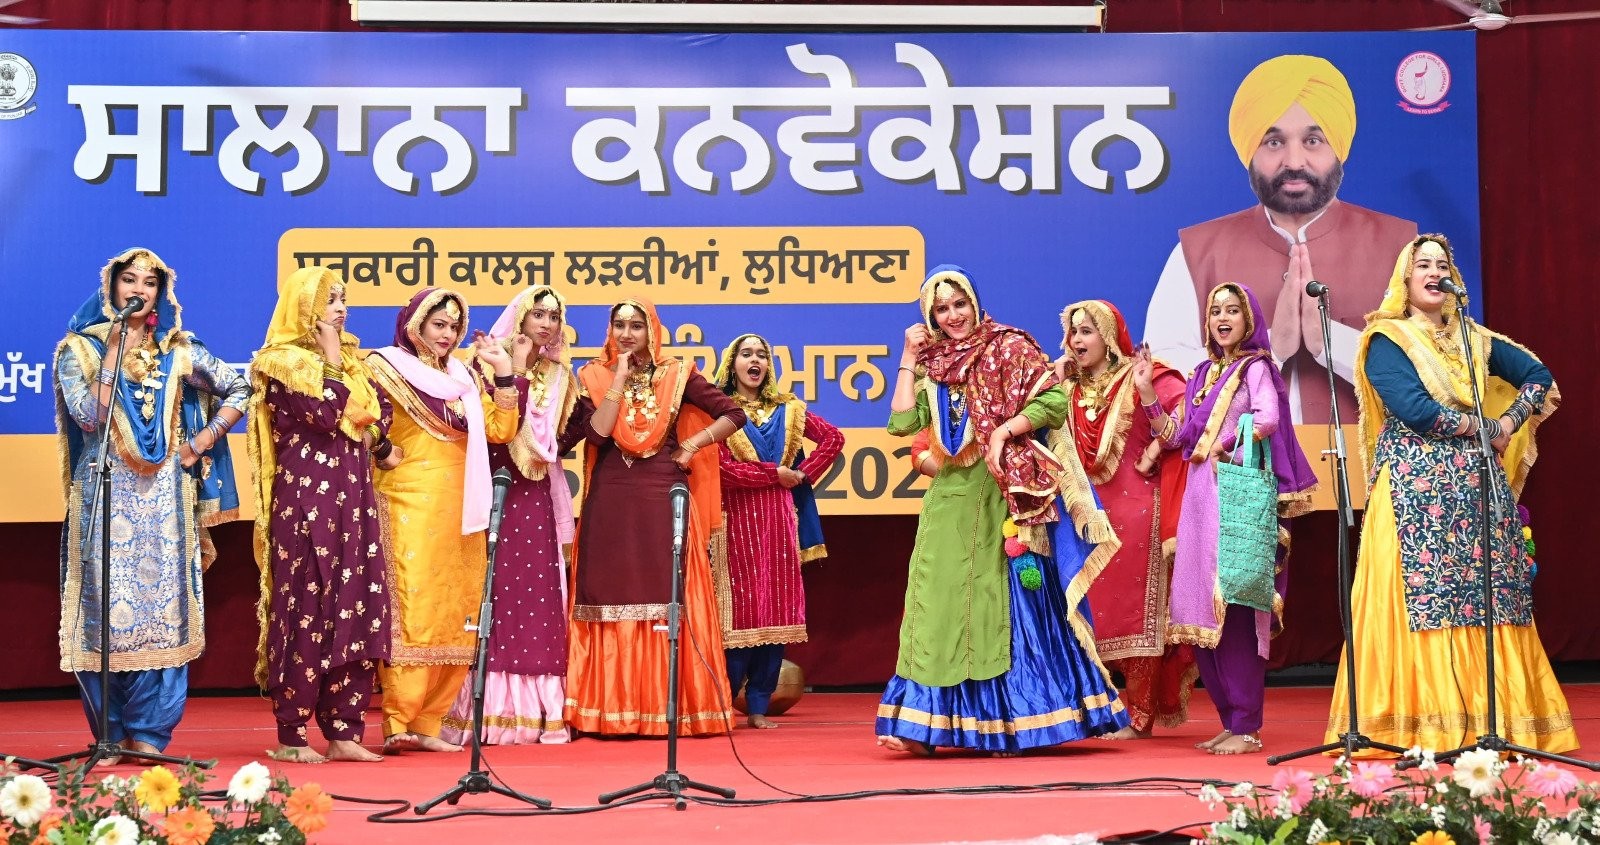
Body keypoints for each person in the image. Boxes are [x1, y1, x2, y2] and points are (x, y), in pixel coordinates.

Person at [1323, 235, 1577, 755]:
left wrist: (1509, 422)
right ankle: (1423, 725)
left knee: (1490, 598)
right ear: (1405, 278)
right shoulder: (1387, 339)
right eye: (1423, 265)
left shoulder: (1475, 339)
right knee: (1425, 601)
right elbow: (1415, 410)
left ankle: (1496, 721)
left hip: (1478, 490)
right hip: (1414, 493)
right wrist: (1483, 427)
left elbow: (1537, 376)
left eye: (1443, 265)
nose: (1434, 272)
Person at [875, 264, 1129, 757]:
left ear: (975, 302)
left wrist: (1003, 431)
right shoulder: (932, 363)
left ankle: (1008, 722)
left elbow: (1052, 403)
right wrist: (907, 357)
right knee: (938, 608)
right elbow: (902, 423)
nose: (953, 316)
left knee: (1000, 607)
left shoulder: (1007, 347)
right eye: (941, 309)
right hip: (948, 505)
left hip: (1004, 497)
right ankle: (927, 726)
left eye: (959, 304)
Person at [52, 247, 249, 762]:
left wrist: (201, 441)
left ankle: (150, 735)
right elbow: (88, 417)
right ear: (111, 288)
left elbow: (239, 387)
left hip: (165, 505)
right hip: (102, 499)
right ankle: (110, 733)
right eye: (129, 280)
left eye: (150, 282)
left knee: (164, 614)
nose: (139, 290)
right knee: (102, 615)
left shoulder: (179, 351)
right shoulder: (81, 350)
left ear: (161, 293)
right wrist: (113, 352)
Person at [1144, 54, 1417, 424]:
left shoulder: (1404, 248)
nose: (1294, 161)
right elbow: (1161, 379)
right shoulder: (1197, 253)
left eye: (1313, 140)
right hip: (1239, 460)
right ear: (1250, 152)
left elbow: (1441, 376)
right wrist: (1269, 349)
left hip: (1372, 460)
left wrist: (1330, 342)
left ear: (1338, 147)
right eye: (1273, 142)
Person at [563, 297, 747, 737]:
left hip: (662, 494)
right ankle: (609, 709)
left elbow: (733, 413)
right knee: (607, 590)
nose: (627, 334)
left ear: (652, 331)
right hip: (611, 498)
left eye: (636, 325)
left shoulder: (677, 374)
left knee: (665, 590)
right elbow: (597, 434)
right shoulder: (593, 375)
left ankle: (668, 707)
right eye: (619, 325)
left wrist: (691, 445)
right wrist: (618, 378)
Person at [1148, 282, 1317, 756]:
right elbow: (1178, 435)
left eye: (1232, 310)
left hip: (1236, 497)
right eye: (1215, 311)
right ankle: (1230, 720)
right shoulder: (1203, 373)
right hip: (1199, 503)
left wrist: (1224, 446)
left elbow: (1267, 419)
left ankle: (1247, 725)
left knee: (1237, 611)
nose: (1222, 318)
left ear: (1249, 319)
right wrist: (1146, 394)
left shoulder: (1255, 368)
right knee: (1200, 615)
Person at [248, 267, 396, 763]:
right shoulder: (282, 364)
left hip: (354, 503)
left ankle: (344, 732)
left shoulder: (355, 362)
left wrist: (341, 370)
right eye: (329, 300)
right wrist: (331, 362)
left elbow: (381, 418)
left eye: (343, 299)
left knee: (357, 607)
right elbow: (325, 415)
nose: (340, 309)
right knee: (306, 611)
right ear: (304, 308)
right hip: (306, 506)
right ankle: (292, 735)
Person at [365, 289, 523, 753]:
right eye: (439, 324)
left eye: (454, 327)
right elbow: (363, 420)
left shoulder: (463, 377)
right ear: (415, 324)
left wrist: (503, 372)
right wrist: (381, 448)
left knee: (459, 610)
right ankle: (398, 720)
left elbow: (501, 430)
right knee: (415, 608)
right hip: (408, 501)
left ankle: (429, 723)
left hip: (463, 507)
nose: (448, 335)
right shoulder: (385, 368)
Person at [440, 286, 585, 746]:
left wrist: (548, 446)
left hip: (534, 492)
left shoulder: (559, 375)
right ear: (520, 317)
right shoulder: (482, 365)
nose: (546, 323)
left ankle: (535, 711)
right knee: (494, 592)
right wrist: (514, 370)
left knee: (537, 594)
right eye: (538, 314)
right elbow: (496, 431)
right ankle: (484, 708)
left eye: (554, 317)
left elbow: (555, 437)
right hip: (492, 487)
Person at [1048, 300, 1196, 740]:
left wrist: (1152, 431)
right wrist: (1051, 384)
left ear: (1109, 337)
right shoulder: (1065, 387)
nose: (1076, 340)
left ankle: (1140, 717)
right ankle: (1087, 712)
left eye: (1086, 331)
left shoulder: (1145, 376)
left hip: (1138, 513)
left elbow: (1186, 422)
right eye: (1073, 332)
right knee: (1083, 613)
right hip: (1083, 515)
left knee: (1136, 617)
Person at [711, 333, 845, 729]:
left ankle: (757, 707)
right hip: (735, 522)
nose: (755, 361)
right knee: (738, 614)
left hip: (780, 521)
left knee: (776, 608)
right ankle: (722, 704)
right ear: (732, 363)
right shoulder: (719, 411)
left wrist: (802, 475)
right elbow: (722, 470)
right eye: (746, 354)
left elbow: (834, 439)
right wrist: (776, 474)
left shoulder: (789, 409)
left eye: (761, 355)